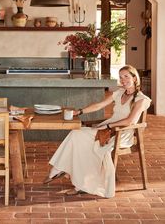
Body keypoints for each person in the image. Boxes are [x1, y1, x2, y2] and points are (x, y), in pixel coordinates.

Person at [43, 65, 151, 198]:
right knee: (77, 134)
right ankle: (61, 170)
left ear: (135, 78)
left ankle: (73, 179)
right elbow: (99, 105)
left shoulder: (142, 99)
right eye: (121, 77)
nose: (123, 80)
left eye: (126, 77)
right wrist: (80, 111)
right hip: (108, 128)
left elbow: (130, 121)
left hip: (122, 133)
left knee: (88, 143)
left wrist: (109, 127)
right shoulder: (119, 93)